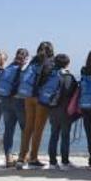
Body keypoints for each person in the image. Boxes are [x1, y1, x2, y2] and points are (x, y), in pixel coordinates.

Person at [17, 41, 55, 170]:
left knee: (28, 127)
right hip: (41, 99)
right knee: (38, 130)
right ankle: (33, 158)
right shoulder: (50, 62)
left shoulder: (33, 61)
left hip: (28, 97)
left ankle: (21, 158)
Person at [47, 53, 77, 170]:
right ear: (67, 64)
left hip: (52, 109)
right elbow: (72, 93)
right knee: (65, 136)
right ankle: (64, 161)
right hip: (65, 110)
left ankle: (52, 162)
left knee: (53, 135)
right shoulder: (69, 77)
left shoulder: (51, 75)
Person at [0, 48, 28, 168]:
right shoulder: (24, 69)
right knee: (25, 129)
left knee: (8, 130)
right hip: (18, 101)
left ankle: (8, 157)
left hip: (5, 101)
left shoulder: (8, 68)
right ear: (26, 58)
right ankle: (23, 157)